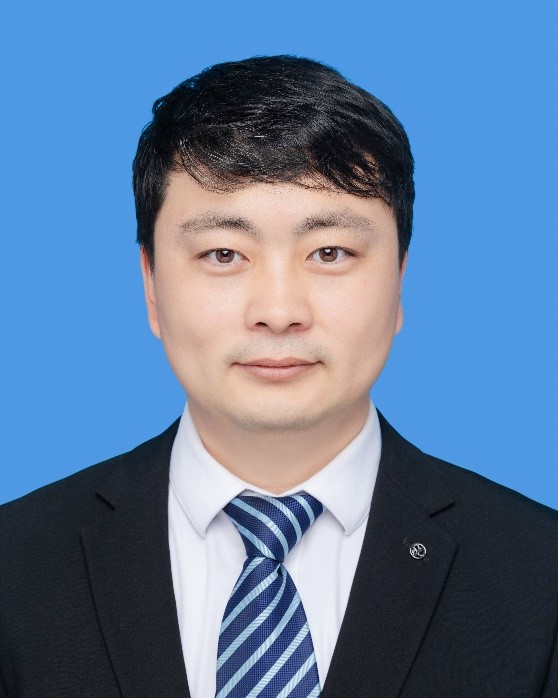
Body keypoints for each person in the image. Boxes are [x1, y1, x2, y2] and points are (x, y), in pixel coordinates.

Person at [0, 55, 557, 698]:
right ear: (151, 284)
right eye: (223, 254)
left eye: (330, 252)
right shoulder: (17, 569)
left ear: (400, 278)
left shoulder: (539, 577)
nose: (278, 311)